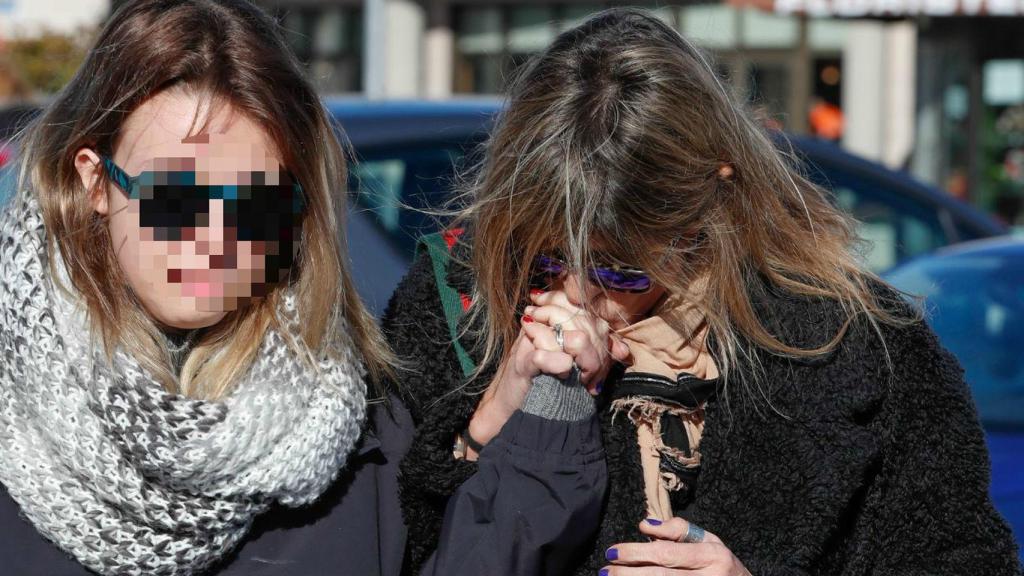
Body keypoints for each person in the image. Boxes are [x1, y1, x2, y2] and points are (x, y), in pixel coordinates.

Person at [391, 8, 1023, 576]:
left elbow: (966, 558)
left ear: (711, 202)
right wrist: (482, 427)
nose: (579, 297)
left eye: (622, 271)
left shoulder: (857, 345)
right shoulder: (452, 306)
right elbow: (390, 543)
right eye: (548, 257)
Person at [0, 1, 398, 574]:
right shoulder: (15, 402)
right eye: (176, 199)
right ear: (94, 181)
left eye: (256, 206)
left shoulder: (362, 427)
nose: (214, 240)